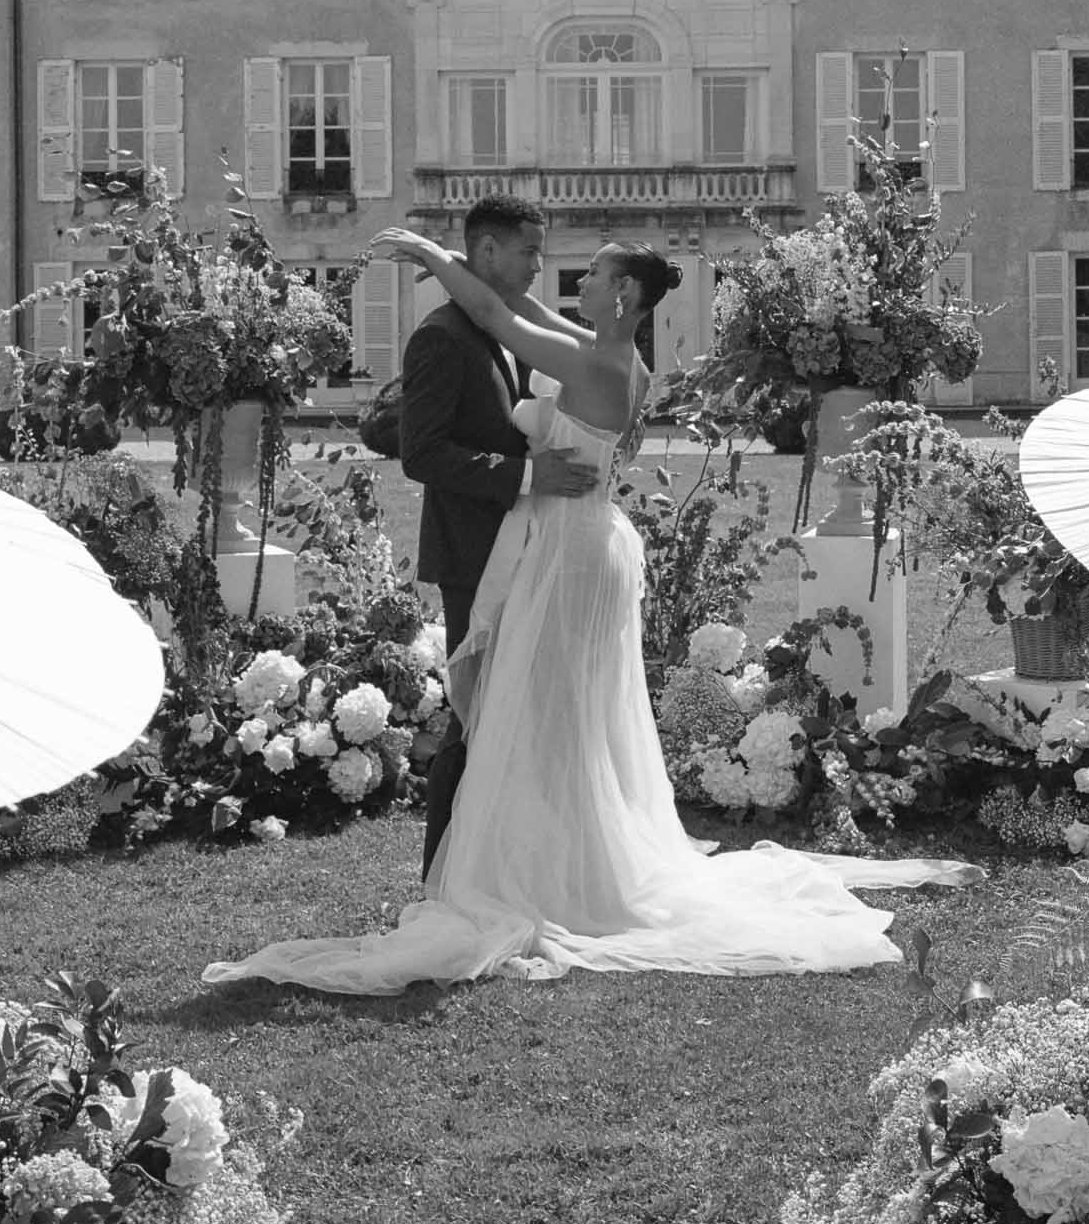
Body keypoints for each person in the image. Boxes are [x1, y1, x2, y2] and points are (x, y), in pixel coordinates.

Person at [201, 235, 981, 997]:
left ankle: (553, 874)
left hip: (570, 553)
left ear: (626, 296)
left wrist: (437, 260)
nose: (579, 282)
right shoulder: (614, 351)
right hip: (585, 542)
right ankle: (564, 853)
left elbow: (503, 319)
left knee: (549, 706)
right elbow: (518, 304)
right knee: (565, 710)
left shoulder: (596, 361)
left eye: (597, 274)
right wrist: (485, 265)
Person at [395, 194, 598, 877]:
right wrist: (523, 474)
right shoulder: (442, 336)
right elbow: (421, 453)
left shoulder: (499, 329)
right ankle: (441, 876)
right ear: (486, 252)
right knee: (473, 713)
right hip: (472, 552)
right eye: (528, 251)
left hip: (526, 551)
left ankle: (495, 865)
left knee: (512, 714)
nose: (540, 266)